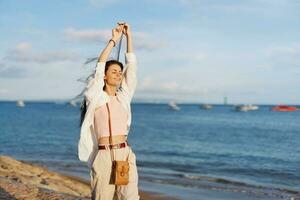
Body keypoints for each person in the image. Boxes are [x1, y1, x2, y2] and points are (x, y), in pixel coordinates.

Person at [78, 22, 140, 200]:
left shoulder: (124, 97)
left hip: (124, 154)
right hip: (104, 156)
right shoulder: (95, 97)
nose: (119, 74)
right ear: (105, 76)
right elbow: (99, 66)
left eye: (120, 72)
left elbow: (132, 68)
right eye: (114, 71)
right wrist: (113, 40)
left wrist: (129, 37)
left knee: (129, 198)